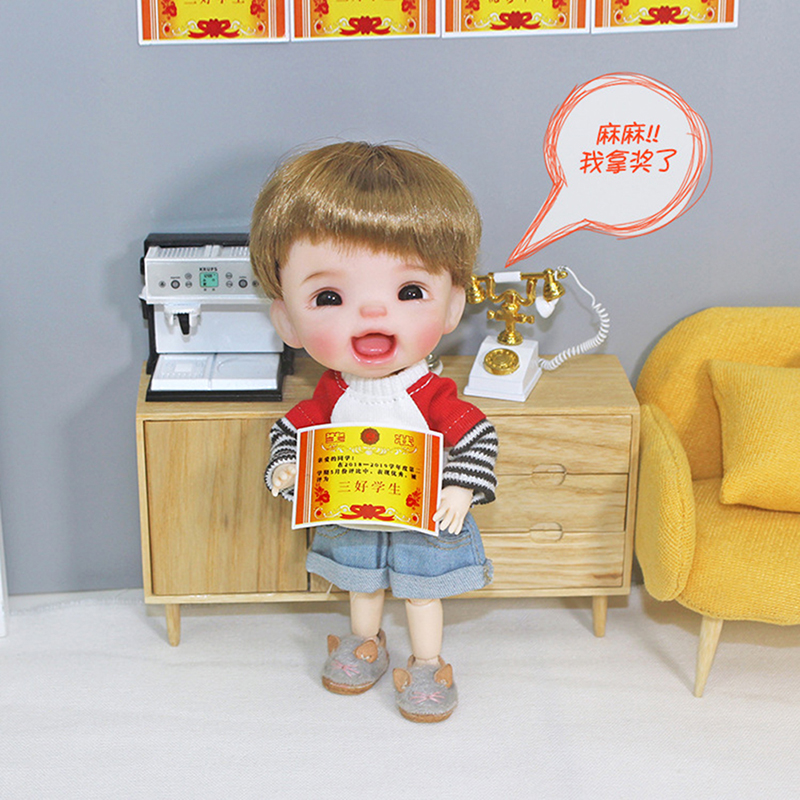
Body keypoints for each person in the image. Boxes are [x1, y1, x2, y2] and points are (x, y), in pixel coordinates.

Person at [250, 141, 497, 723]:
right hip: (353, 514)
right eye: (329, 297)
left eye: (409, 292)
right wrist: (288, 469)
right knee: (361, 585)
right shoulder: (331, 397)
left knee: (421, 593)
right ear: (287, 319)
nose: (373, 313)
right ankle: (365, 644)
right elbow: (292, 432)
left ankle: (428, 663)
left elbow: (476, 436)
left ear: (452, 306)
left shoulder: (430, 395)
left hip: (423, 522)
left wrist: (459, 489)